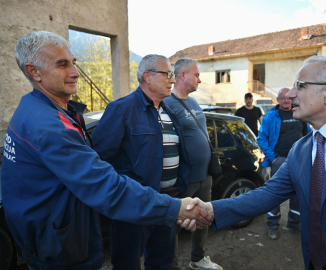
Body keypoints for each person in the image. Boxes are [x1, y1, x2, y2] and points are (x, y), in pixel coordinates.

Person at [1, 31, 211, 270]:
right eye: (62, 65)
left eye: (74, 63)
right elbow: (100, 175)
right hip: (66, 238)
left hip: (143, 205)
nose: (75, 72)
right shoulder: (50, 125)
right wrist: (174, 208)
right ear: (34, 71)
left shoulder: (47, 111)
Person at [184, 56, 326, 270]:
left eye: (299, 86)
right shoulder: (301, 149)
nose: (290, 94)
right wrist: (210, 209)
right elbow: (267, 194)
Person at [92, 54, 194, 270]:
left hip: (167, 202)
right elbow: (100, 159)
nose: (173, 80)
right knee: (127, 263)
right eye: (167, 74)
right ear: (147, 76)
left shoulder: (168, 111)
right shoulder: (121, 109)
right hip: (134, 206)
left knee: (162, 261)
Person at [164, 58, 222, 270]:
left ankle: (197, 259)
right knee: (175, 224)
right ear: (182, 76)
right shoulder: (167, 104)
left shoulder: (194, 102)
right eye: (196, 75)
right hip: (184, 179)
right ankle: (170, 265)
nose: (199, 79)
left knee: (204, 219)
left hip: (204, 176)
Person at [257, 87, 311, 240]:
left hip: (300, 159)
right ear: (278, 100)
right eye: (282, 98)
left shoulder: (300, 113)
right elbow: (261, 138)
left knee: (298, 193)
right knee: (275, 192)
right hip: (279, 160)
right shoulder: (270, 116)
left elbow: (308, 135)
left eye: (288, 98)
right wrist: (273, 158)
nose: (286, 100)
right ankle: (273, 224)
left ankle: (294, 223)